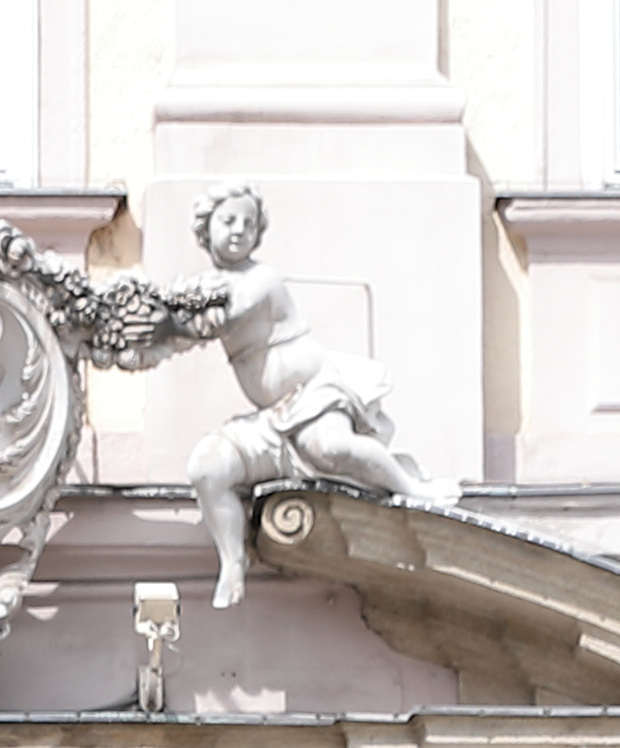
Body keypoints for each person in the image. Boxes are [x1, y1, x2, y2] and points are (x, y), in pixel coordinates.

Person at [185, 183, 453, 608]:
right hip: (271, 417)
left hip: (315, 394)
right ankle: (233, 563)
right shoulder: (202, 288)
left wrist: (175, 313)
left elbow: (228, 311)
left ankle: (410, 487)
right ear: (205, 229)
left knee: (331, 447)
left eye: (249, 223)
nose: (239, 230)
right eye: (228, 221)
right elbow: (194, 317)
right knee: (206, 470)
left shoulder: (260, 279)